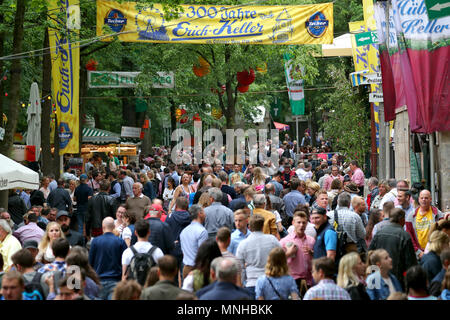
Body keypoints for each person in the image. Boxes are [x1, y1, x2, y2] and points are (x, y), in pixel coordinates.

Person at [236, 214, 281, 299]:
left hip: (251, 283)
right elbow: (281, 257)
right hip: (270, 281)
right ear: (263, 226)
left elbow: (239, 267)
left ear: (249, 226)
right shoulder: (272, 240)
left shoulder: (243, 244)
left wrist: (241, 283)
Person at [369, 208, 417, 286]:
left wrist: (372, 273)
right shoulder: (404, 236)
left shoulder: (379, 233)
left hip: (380, 276)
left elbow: (370, 254)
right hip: (397, 279)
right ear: (402, 219)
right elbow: (411, 262)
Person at [89, 217, 127, 300]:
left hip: (99, 281)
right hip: (116, 281)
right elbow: (125, 263)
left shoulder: (95, 241)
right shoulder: (120, 242)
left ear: (103, 227)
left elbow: (90, 263)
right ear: (114, 227)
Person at [280, 211, 315, 297]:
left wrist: (312, 253)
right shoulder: (284, 241)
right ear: (293, 223)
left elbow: (318, 259)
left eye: (304, 222)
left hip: (308, 281)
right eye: (298, 222)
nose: (301, 225)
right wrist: (288, 253)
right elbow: (276, 261)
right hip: (292, 281)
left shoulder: (311, 241)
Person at [405, 190, 444, 260]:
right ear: (419, 199)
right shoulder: (411, 216)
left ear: (430, 199)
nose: (424, 200)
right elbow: (409, 236)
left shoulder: (438, 214)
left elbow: (443, 233)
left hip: (434, 252)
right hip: (418, 255)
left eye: (426, 198)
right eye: (422, 198)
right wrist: (418, 252)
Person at [180, 205, 209, 280]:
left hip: (186, 268)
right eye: (203, 212)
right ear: (200, 214)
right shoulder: (202, 231)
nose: (205, 214)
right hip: (197, 269)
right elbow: (202, 253)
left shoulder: (184, 231)